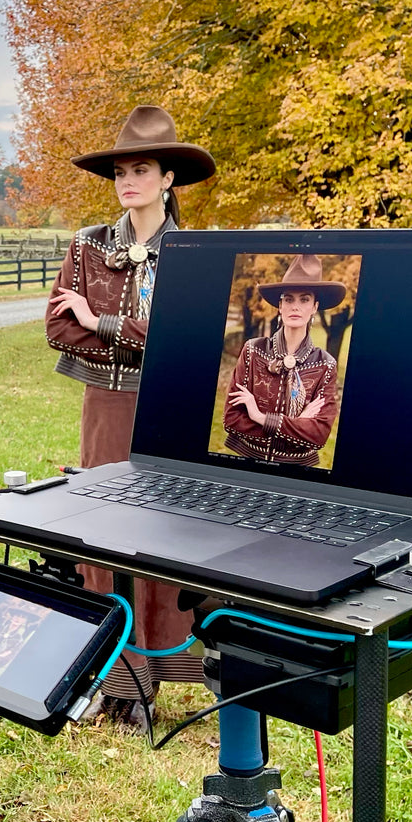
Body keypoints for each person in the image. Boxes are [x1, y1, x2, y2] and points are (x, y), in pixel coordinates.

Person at [44, 105, 216, 723]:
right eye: (120, 171)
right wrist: (124, 332)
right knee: (104, 533)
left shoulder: (196, 252)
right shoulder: (89, 245)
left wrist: (105, 322)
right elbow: (60, 329)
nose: (127, 181)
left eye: (141, 169)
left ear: (169, 178)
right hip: (107, 405)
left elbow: (196, 339)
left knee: (168, 534)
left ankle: (166, 668)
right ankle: (116, 679)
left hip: (173, 405)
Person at [222, 255, 347, 467]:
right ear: (280, 306)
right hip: (247, 463)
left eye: (304, 299)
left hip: (296, 470)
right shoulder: (253, 350)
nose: (295, 306)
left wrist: (259, 417)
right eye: (288, 299)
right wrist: (299, 424)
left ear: (315, 307)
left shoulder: (325, 365)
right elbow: (232, 420)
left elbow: (318, 436)